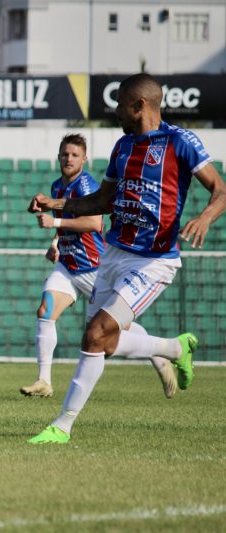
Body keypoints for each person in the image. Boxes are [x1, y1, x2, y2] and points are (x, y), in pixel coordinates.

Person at [27, 73, 226, 444]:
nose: (115, 111)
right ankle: (173, 347)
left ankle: (62, 426)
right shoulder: (122, 147)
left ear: (140, 105)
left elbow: (220, 189)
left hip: (154, 260)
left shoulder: (180, 142)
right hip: (115, 253)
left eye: (120, 104)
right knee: (99, 341)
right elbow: (102, 201)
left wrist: (205, 217)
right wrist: (55, 203)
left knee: (96, 333)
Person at [22, 133, 180, 400]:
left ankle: (159, 354)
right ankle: (44, 381)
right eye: (64, 153)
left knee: (114, 332)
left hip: (94, 267)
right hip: (68, 265)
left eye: (74, 154)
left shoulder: (86, 185)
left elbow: (95, 223)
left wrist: (55, 224)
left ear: (84, 159)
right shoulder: (57, 187)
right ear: (58, 156)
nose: (68, 158)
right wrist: (56, 242)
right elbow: (63, 222)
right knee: (45, 309)